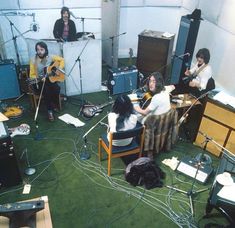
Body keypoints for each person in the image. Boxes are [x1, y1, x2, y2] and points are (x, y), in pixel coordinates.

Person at [29, 41, 65, 121]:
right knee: (46, 90)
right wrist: (39, 77)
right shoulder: (33, 60)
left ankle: (54, 104)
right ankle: (50, 111)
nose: (40, 52)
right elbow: (31, 75)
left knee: (57, 88)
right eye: (38, 50)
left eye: (42, 49)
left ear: (45, 50)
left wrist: (59, 69)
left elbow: (62, 60)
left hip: (49, 79)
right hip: (38, 82)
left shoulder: (50, 57)